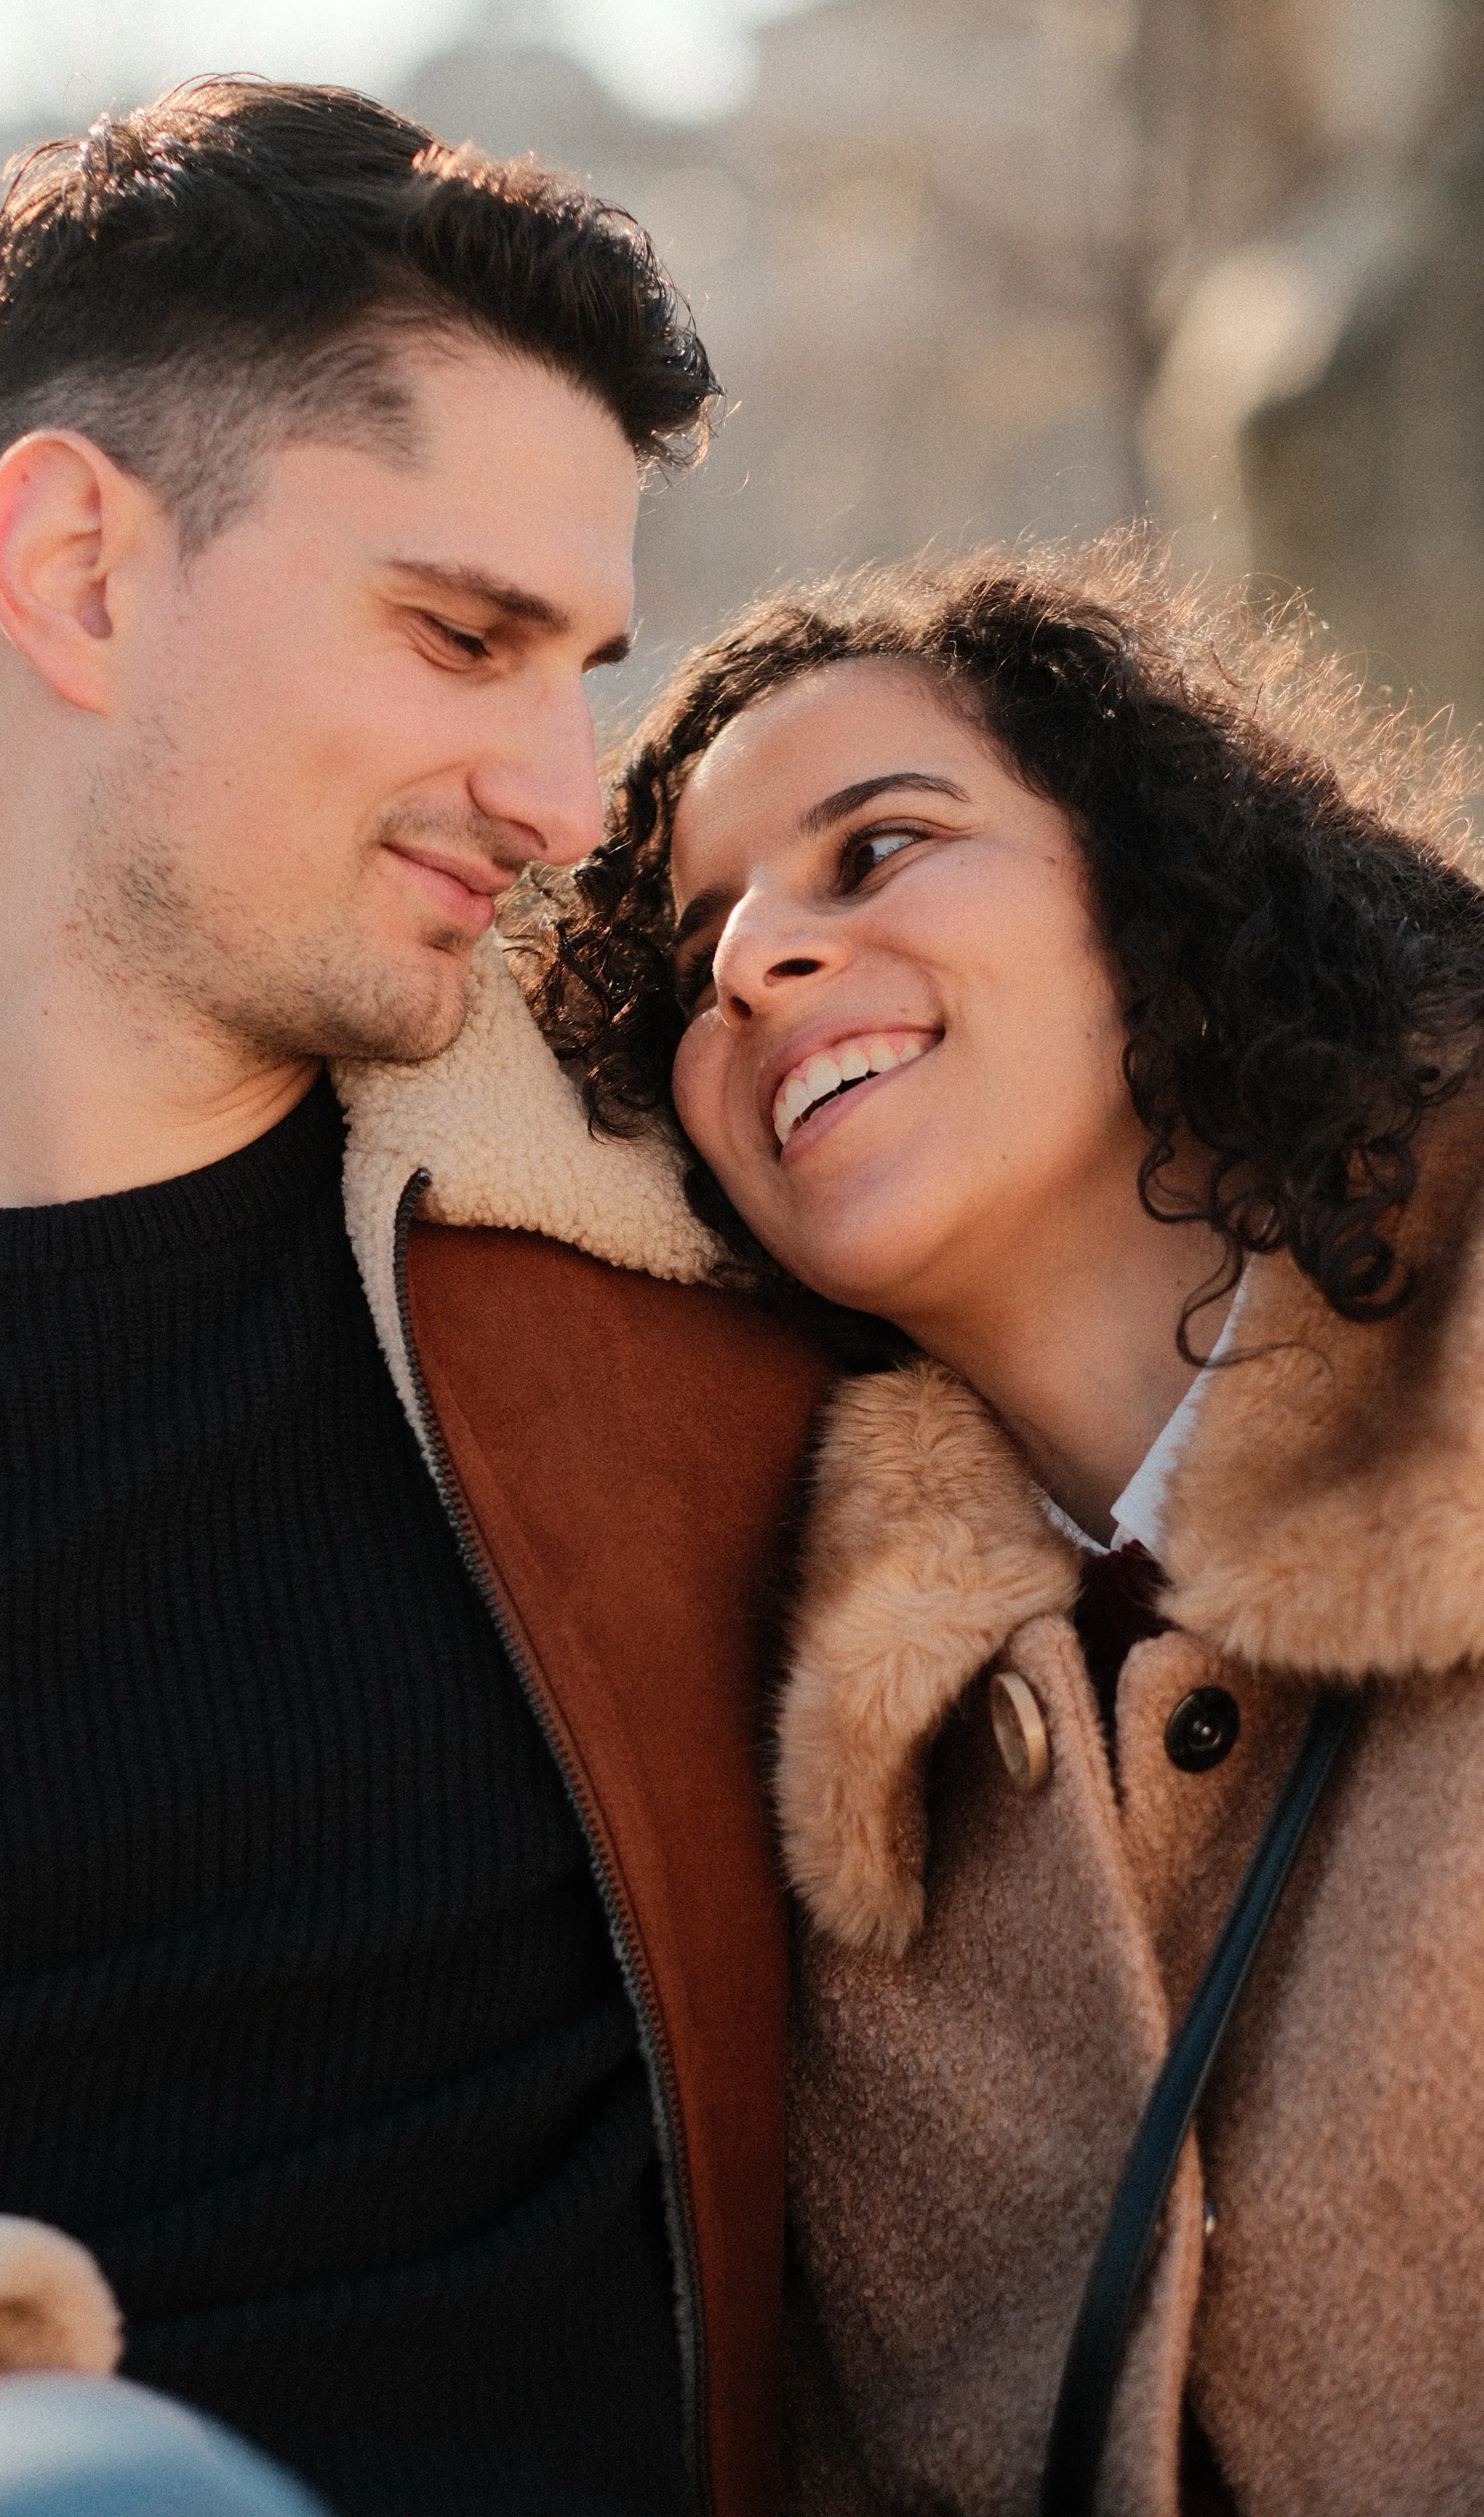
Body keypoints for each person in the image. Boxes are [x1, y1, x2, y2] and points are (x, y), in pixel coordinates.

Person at [0, 79, 835, 2517]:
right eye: (465, 635)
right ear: (75, 572)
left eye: (583, 666)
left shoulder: (677, 1230)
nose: (568, 794)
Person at [537, 541, 1484, 2516]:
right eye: (697, 954)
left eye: (873, 849)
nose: (754, 962)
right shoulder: (819, 1759)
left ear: (1156, 885)